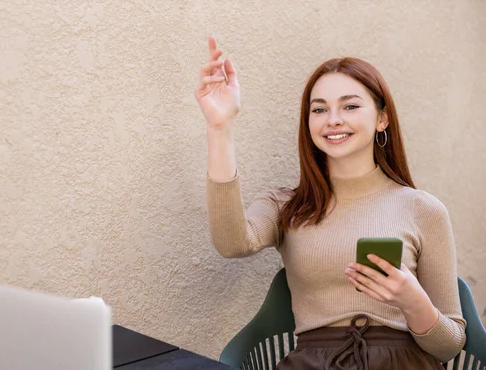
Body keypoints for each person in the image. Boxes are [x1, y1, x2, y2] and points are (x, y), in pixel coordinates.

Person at [194, 35, 466, 369]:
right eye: (319, 109)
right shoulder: (287, 205)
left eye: (350, 106)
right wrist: (220, 127)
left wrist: (412, 301)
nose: (333, 119)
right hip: (314, 362)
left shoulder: (423, 209)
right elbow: (231, 243)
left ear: (382, 118)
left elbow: (450, 346)